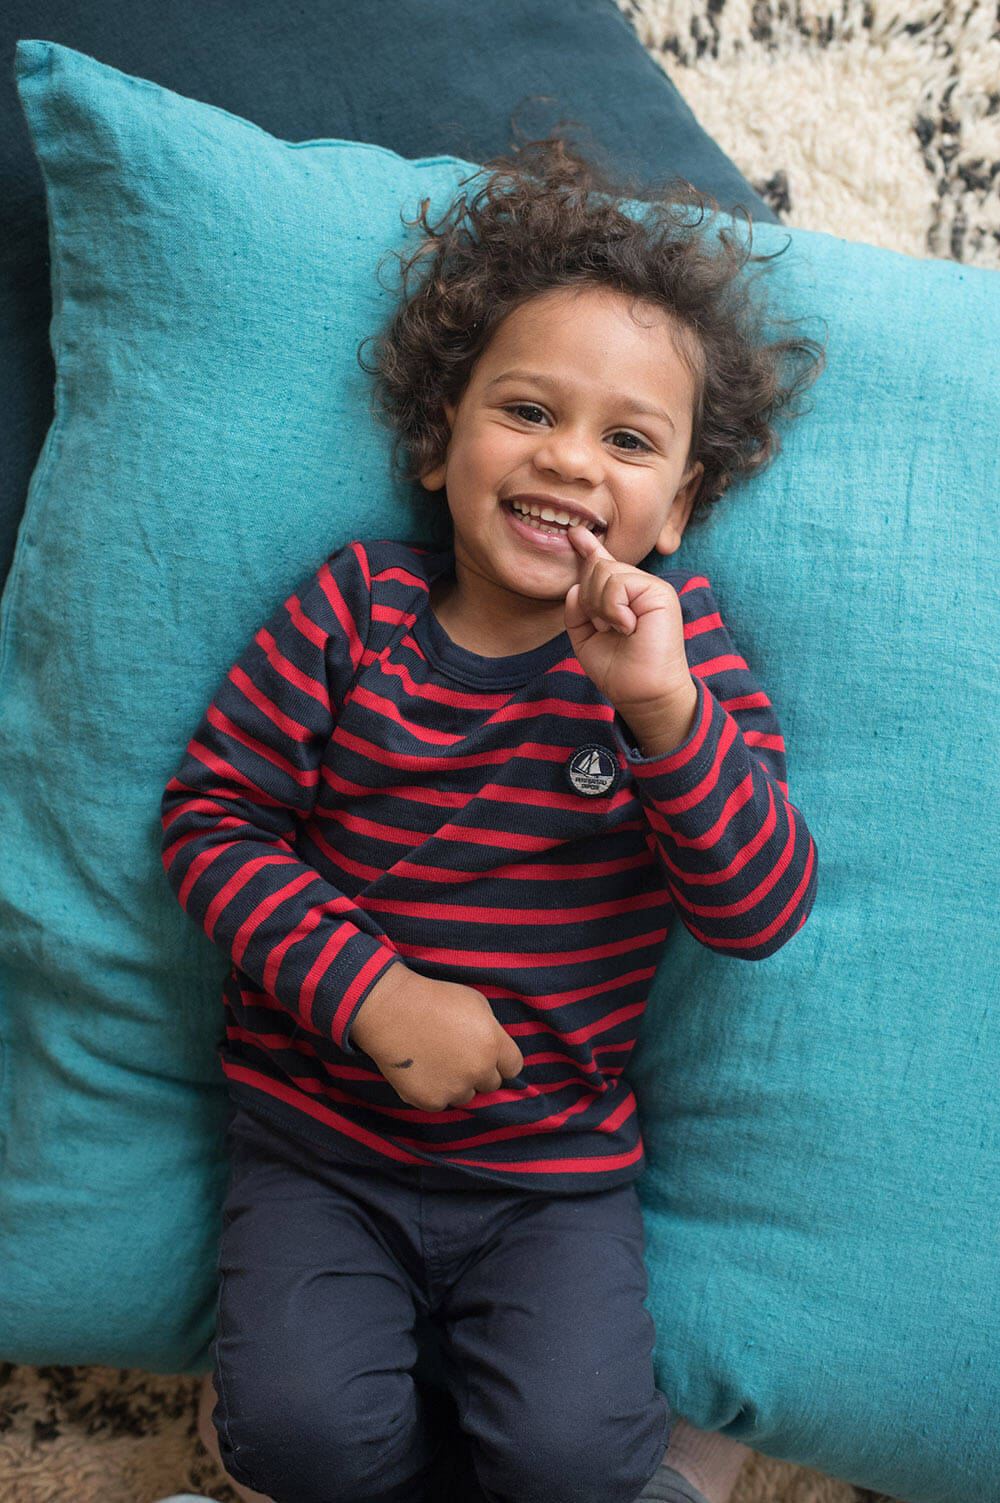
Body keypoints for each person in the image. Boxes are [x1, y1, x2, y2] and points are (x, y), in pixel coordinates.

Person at [160, 135, 823, 1503]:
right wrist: (377, 999)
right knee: (304, 1444)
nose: (572, 462)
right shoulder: (353, 613)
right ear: (437, 439)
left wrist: (660, 716)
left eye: (629, 442)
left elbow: (760, 910)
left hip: (550, 1180)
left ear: (680, 505)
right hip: (317, 1145)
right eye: (528, 413)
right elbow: (211, 820)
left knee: (569, 1461)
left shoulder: (683, 661)